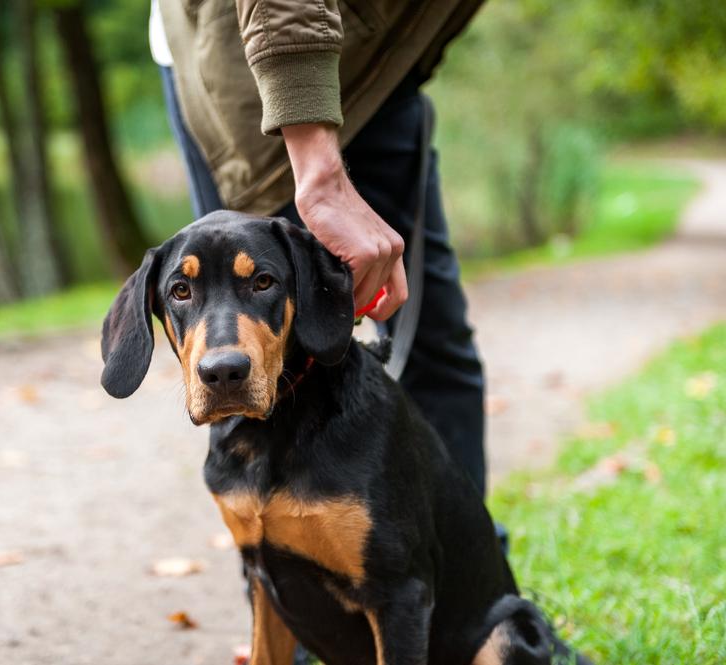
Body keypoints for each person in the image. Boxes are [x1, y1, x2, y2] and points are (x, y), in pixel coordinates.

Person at [150, 0, 490, 499]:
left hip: (369, 60)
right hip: (262, 62)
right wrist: (320, 174)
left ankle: (468, 571)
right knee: (250, 364)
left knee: (428, 341)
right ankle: (277, 566)